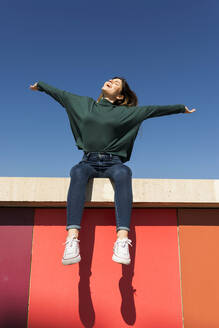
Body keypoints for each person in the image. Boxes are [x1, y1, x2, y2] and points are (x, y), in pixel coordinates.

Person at [29, 77, 196, 266]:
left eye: (116, 83)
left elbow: (153, 110)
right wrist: (41, 86)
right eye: (111, 80)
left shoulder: (126, 113)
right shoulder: (85, 105)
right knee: (76, 172)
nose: (110, 81)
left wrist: (181, 108)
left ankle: (122, 240)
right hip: (88, 161)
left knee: (124, 173)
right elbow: (62, 96)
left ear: (119, 96)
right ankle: (72, 239)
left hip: (113, 162)